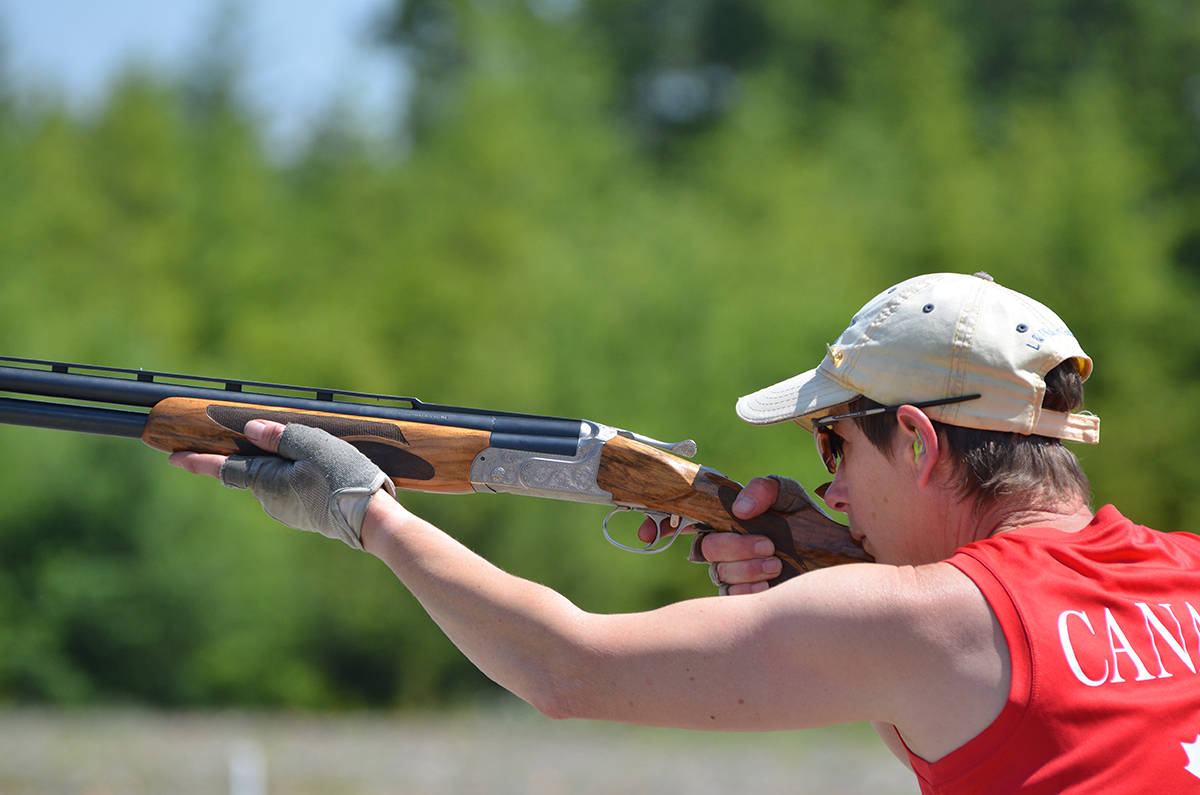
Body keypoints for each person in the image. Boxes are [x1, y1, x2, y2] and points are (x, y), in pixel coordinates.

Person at [169, 272, 1200, 794]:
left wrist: (368, 515)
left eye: (835, 448)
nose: (827, 488)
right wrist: (831, 567)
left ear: (920, 441)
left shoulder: (933, 618)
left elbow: (565, 670)